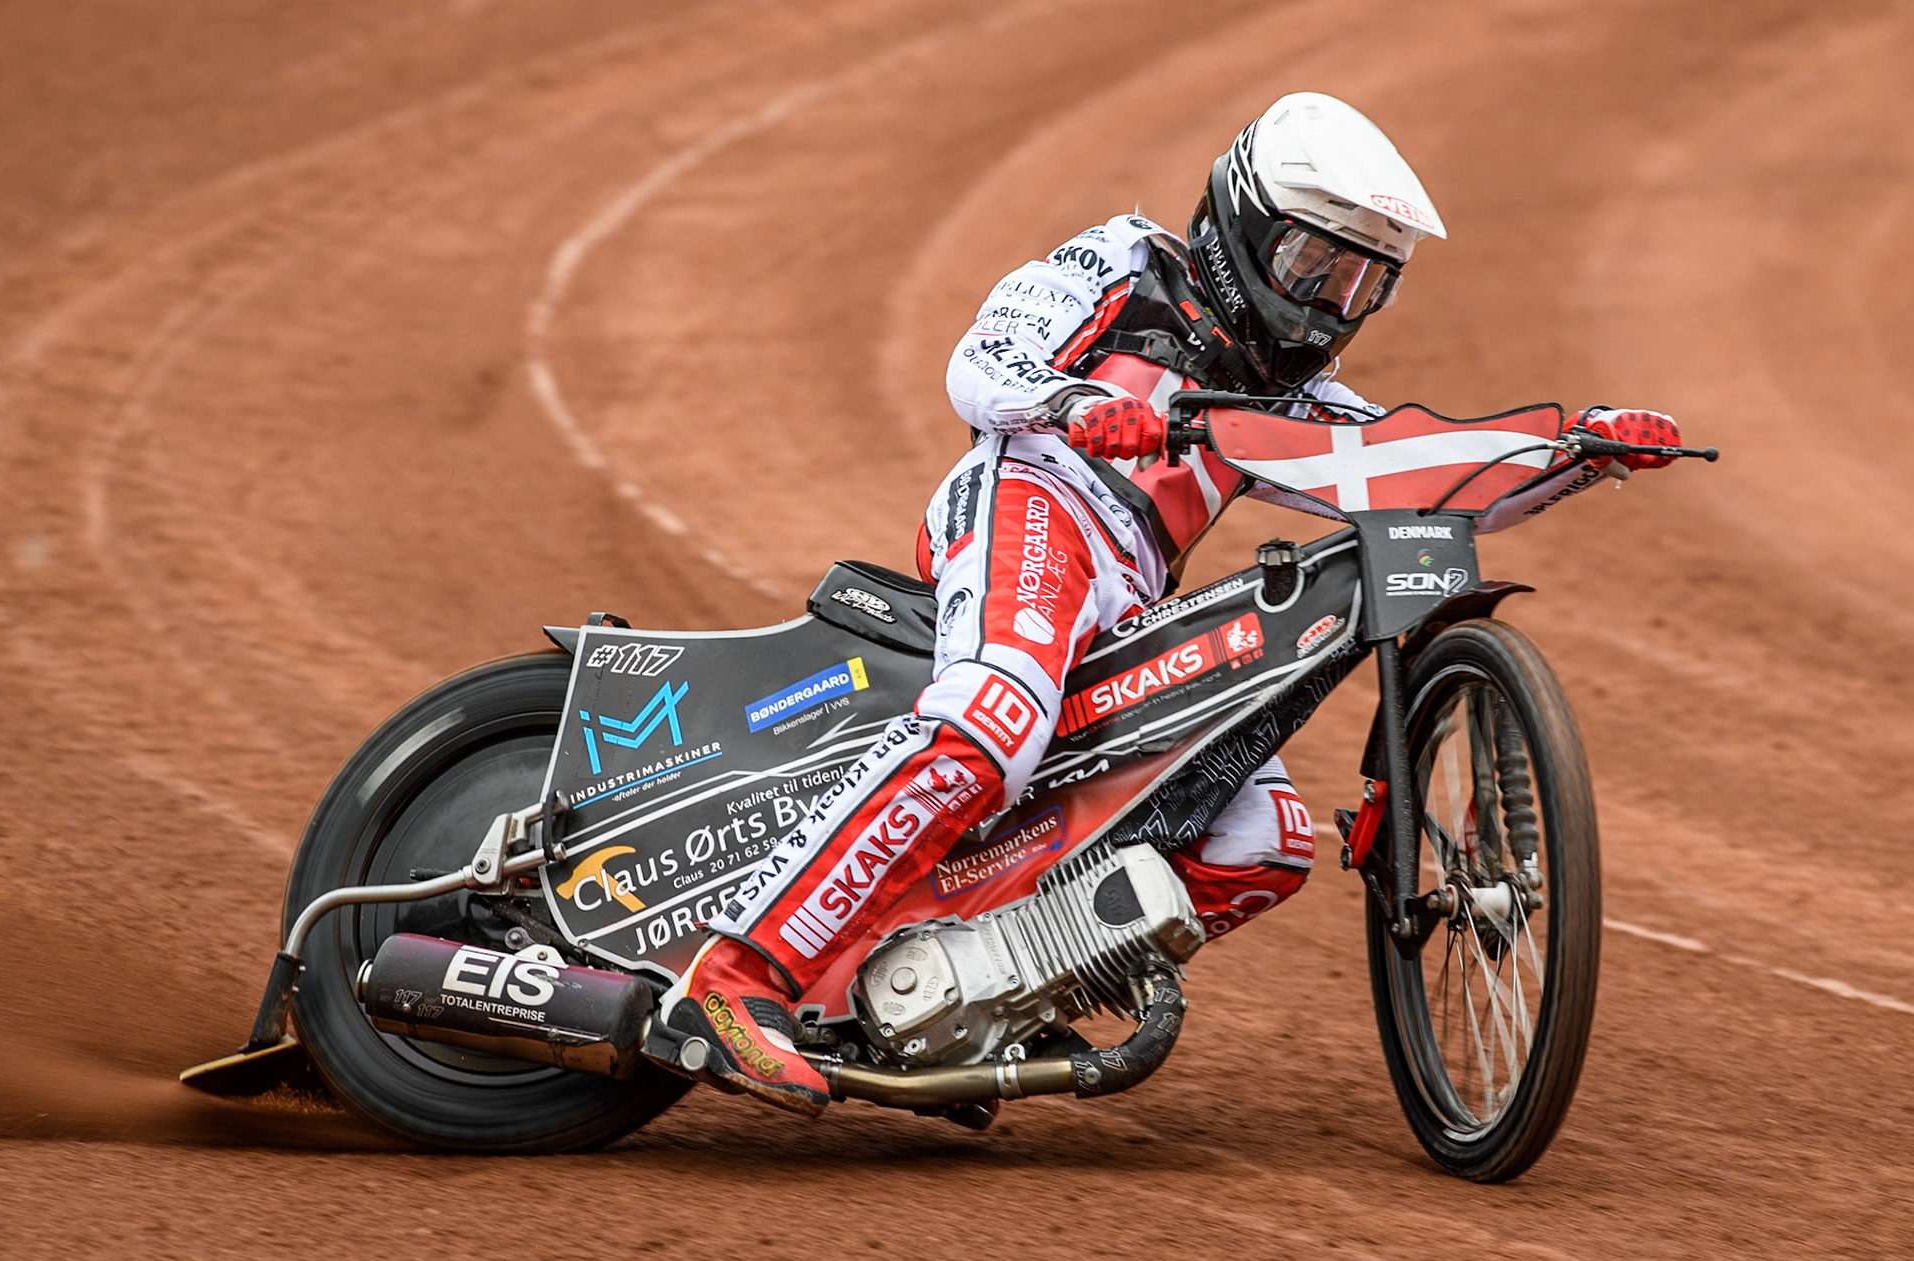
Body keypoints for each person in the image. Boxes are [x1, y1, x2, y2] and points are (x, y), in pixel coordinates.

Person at [652, 92, 1682, 1116]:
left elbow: (1413, 470)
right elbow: (979, 362)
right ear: (1243, 225)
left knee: (1264, 837)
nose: (1328, 303)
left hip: (1129, 588)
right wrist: (1079, 404)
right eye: (1312, 266)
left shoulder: (1292, 399)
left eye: (1363, 282)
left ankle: (970, 992)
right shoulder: (1124, 264)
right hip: (1034, 502)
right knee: (996, 716)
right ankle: (734, 978)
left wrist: (1576, 448)